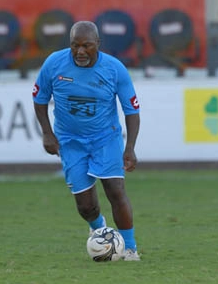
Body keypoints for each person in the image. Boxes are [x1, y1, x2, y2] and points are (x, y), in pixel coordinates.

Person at [32, 21, 141, 261]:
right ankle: (99, 229)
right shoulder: (54, 64)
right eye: (75, 46)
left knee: (115, 190)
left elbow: (131, 111)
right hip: (70, 142)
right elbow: (39, 99)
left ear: (98, 45)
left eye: (87, 46)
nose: (80, 51)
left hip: (106, 138)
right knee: (86, 206)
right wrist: (47, 133)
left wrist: (129, 147)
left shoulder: (114, 69)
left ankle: (130, 248)